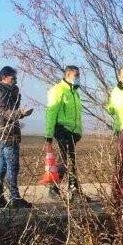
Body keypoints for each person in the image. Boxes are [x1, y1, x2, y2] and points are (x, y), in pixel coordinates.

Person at [0, 66, 34, 208]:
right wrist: (20, 113)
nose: (15, 81)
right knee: (12, 165)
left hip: (1, 131)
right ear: (4, 77)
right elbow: (1, 112)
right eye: (13, 78)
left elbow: (8, 109)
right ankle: (14, 198)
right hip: (5, 132)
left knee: (1, 165)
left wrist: (15, 95)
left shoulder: (4, 90)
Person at [44, 65, 84, 198]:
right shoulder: (58, 90)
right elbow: (51, 112)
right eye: (76, 75)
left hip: (72, 132)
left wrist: (78, 132)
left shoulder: (74, 92)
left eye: (79, 75)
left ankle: (54, 187)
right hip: (62, 130)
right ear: (67, 75)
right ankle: (74, 191)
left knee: (65, 161)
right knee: (70, 161)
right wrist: (49, 135)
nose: (78, 78)